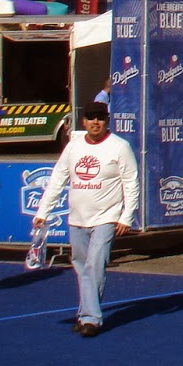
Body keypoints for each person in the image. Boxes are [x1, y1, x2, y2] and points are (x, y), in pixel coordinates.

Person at [30, 103, 139, 337]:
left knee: (95, 265)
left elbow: (131, 184)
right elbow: (58, 178)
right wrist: (43, 212)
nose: (95, 123)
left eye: (100, 118)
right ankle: (85, 313)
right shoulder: (74, 146)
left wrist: (126, 217)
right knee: (82, 267)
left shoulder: (120, 147)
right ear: (84, 122)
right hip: (77, 217)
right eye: (91, 118)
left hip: (106, 217)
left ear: (107, 120)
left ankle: (92, 319)